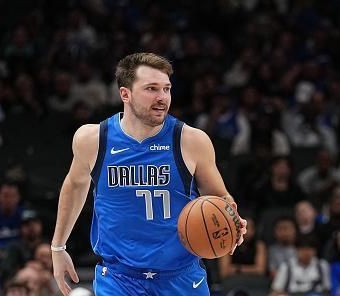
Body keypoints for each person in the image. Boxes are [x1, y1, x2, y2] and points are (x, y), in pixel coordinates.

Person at [51, 52, 247, 296]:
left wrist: (232, 218)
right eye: (152, 89)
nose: (162, 98)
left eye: (166, 89)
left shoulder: (191, 141)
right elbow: (75, 185)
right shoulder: (93, 139)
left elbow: (220, 198)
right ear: (125, 94)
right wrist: (58, 247)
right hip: (119, 279)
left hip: (180, 277)